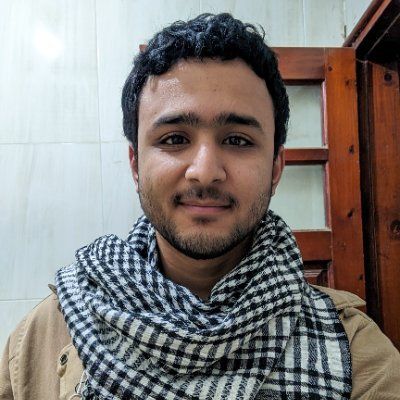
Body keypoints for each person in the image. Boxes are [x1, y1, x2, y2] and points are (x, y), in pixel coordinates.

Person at [1, 13, 399, 400]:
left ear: (276, 168)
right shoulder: (43, 336)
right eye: (174, 139)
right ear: (136, 165)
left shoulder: (358, 351)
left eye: (238, 140)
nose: (205, 172)